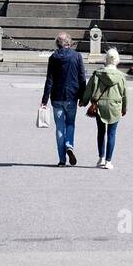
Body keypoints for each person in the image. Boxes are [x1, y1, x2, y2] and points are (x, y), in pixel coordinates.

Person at [40, 32, 87, 167]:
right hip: (72, 96)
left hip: (57, 97)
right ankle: (69, 146)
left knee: (60, 128)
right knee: (70, 124)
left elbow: (49, 80)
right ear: (69, 42)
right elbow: (82, 77)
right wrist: (83, 97)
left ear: (57, 43)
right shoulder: (77, 56)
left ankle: (62, 160)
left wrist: (44, 99)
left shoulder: (53, 57)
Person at [83, 47, 128, 169]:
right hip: (115, 107)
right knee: (112, 134)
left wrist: (83, 101)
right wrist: (124, 108)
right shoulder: (121, 76)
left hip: (99, 106)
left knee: (101, 132)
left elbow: (89, 89)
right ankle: (109, 161)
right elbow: (124, 94)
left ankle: (101, 158)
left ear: (106, 59)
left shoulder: (98, 74)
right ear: (117, 60)